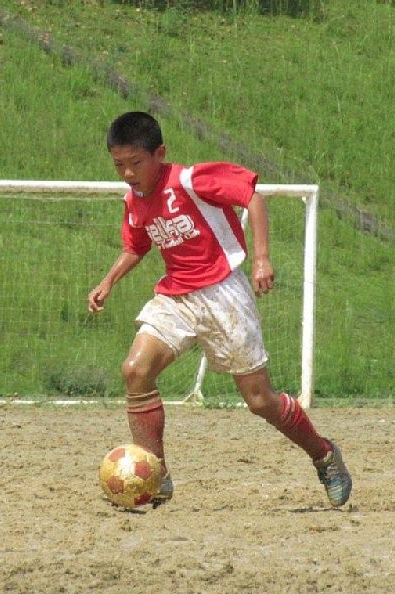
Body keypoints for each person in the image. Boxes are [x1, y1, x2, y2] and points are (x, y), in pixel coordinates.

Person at [88, 111, 351, 508]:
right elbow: (136, 246)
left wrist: (261, 257)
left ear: (160, 153)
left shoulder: (191, 180)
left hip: (223, 294)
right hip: (177, 296)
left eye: (135, 163)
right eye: (118, 164)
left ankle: (324, 455)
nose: (127, 173)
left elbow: (252, 197)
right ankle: (156, 476)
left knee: (260, 401)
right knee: (135, 371)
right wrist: (108, 281)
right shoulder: (134, 200)